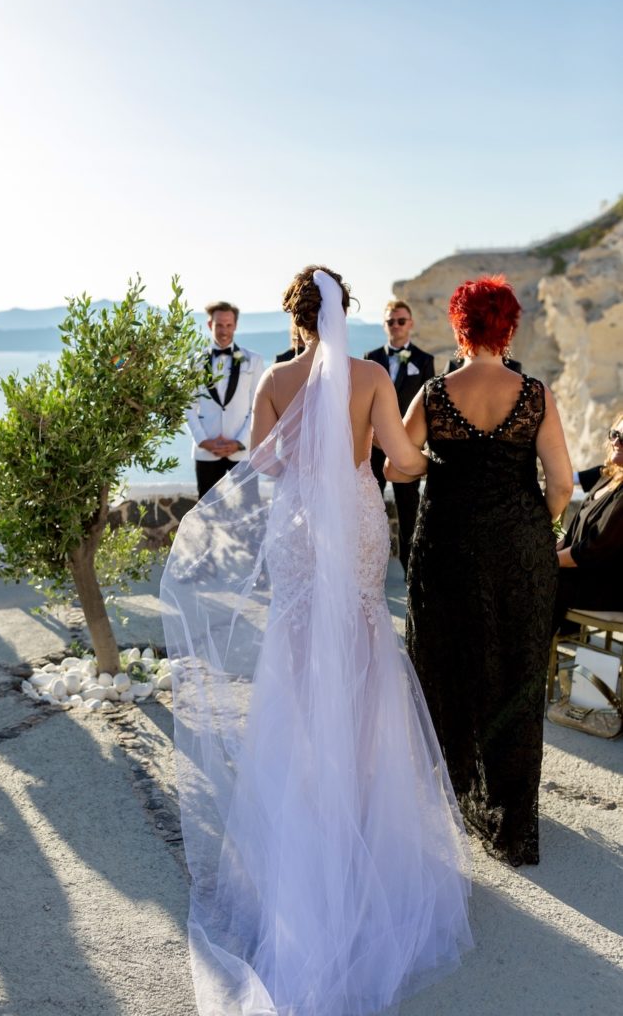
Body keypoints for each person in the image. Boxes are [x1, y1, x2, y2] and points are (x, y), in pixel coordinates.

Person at [161, 267, 472, 1016]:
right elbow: (400, 460)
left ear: (294, 317)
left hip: (298, 530)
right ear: (344, 311)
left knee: (297, 659)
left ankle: (302, 809)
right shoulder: (369, 375)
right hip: (358, 522)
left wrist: (302, 463)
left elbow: (262, 467)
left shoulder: (272, 377)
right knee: (364, 652)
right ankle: (362, 815)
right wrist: (429, 462)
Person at [390, 274, 572, 867]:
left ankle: (452, 805)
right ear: (510, 326)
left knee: (450, 668)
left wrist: (431, 469)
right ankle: (514, 820)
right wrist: (529, 525)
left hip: (448, 548)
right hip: (519, 547)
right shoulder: (536, 394)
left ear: (459, 326)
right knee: (517, 675)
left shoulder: (436, 393)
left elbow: (398, 464)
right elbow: (564, 484)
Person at [364, 299, 434, 574]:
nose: (395, 326)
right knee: (370, 510)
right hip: (374, 448)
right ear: (384, 325)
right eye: (390, 321)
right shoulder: (371, 359)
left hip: (408, 447)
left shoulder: (424, 360)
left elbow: (429, 410)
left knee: (409, 511)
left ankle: (411, 570)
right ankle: (370, 569)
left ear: (410, 323)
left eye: (401, 321)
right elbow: (364, 405)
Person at [185, 301, 264, 499]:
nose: (224, 331)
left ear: (235, 326)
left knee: (249, 510)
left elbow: (258, 406)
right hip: (206, 451)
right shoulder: (194, 362)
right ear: (210, 325)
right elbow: (187, 405)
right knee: (205, 513)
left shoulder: (253, 360)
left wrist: (240, 441)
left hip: (242, 452)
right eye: (219, 325)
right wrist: (203, 441)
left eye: (229, 325)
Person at [554, 413, 623, 629]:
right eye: (615, 434)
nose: (615, 442)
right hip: (585, 573)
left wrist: (545, 562)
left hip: (607, 587)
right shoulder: (610, 476)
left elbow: (591, 551)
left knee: (529, 583)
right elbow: (574, 534)